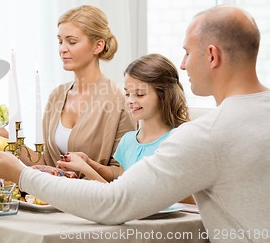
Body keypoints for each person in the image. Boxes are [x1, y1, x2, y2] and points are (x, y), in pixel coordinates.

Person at [0, 5, 270, 241]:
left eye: (187, 52)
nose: (182, 64)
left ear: (212, 56)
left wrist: (21, 175)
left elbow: (115, 202)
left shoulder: (205, 135)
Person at [21, 5, 135, 182]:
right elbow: (46, 163)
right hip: (53, 200)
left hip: (93, 202)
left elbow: (121, 173)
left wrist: (86, 166)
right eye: (60, 41)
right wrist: (7, 140)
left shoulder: (118, 100)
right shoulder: (57, 96)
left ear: (98, 45)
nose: (62, 49)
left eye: (71, 42)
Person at [57, 53, 189, 182]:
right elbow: (120, 182)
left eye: (140, 94)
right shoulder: (128, 140)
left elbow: (120, 197)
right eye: (127, 94)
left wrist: (85, 168)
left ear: (164, 95)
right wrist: (89, 163)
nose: (130, 100)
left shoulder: (175, 141)